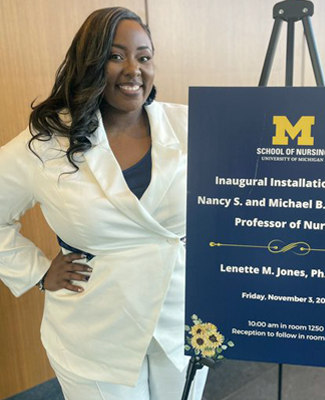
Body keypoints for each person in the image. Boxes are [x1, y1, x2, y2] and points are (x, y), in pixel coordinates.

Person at [0, 6, 208, 400]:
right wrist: (37, 272)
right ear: (90, 63)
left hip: (179, 317)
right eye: (116, 56)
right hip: (95, 327)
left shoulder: (190, 125)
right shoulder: (47, 142)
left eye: (144, 57)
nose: (134, 69)